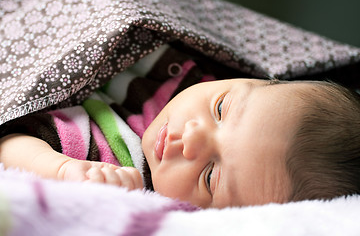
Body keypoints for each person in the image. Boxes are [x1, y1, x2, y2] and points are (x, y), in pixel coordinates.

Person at [1, 45, 360, 209]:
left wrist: (62, 169)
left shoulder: (116, 166)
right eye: (221, 108)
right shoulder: (191, 67)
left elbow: (12, 141)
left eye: (209, 175)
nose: (191, 136)